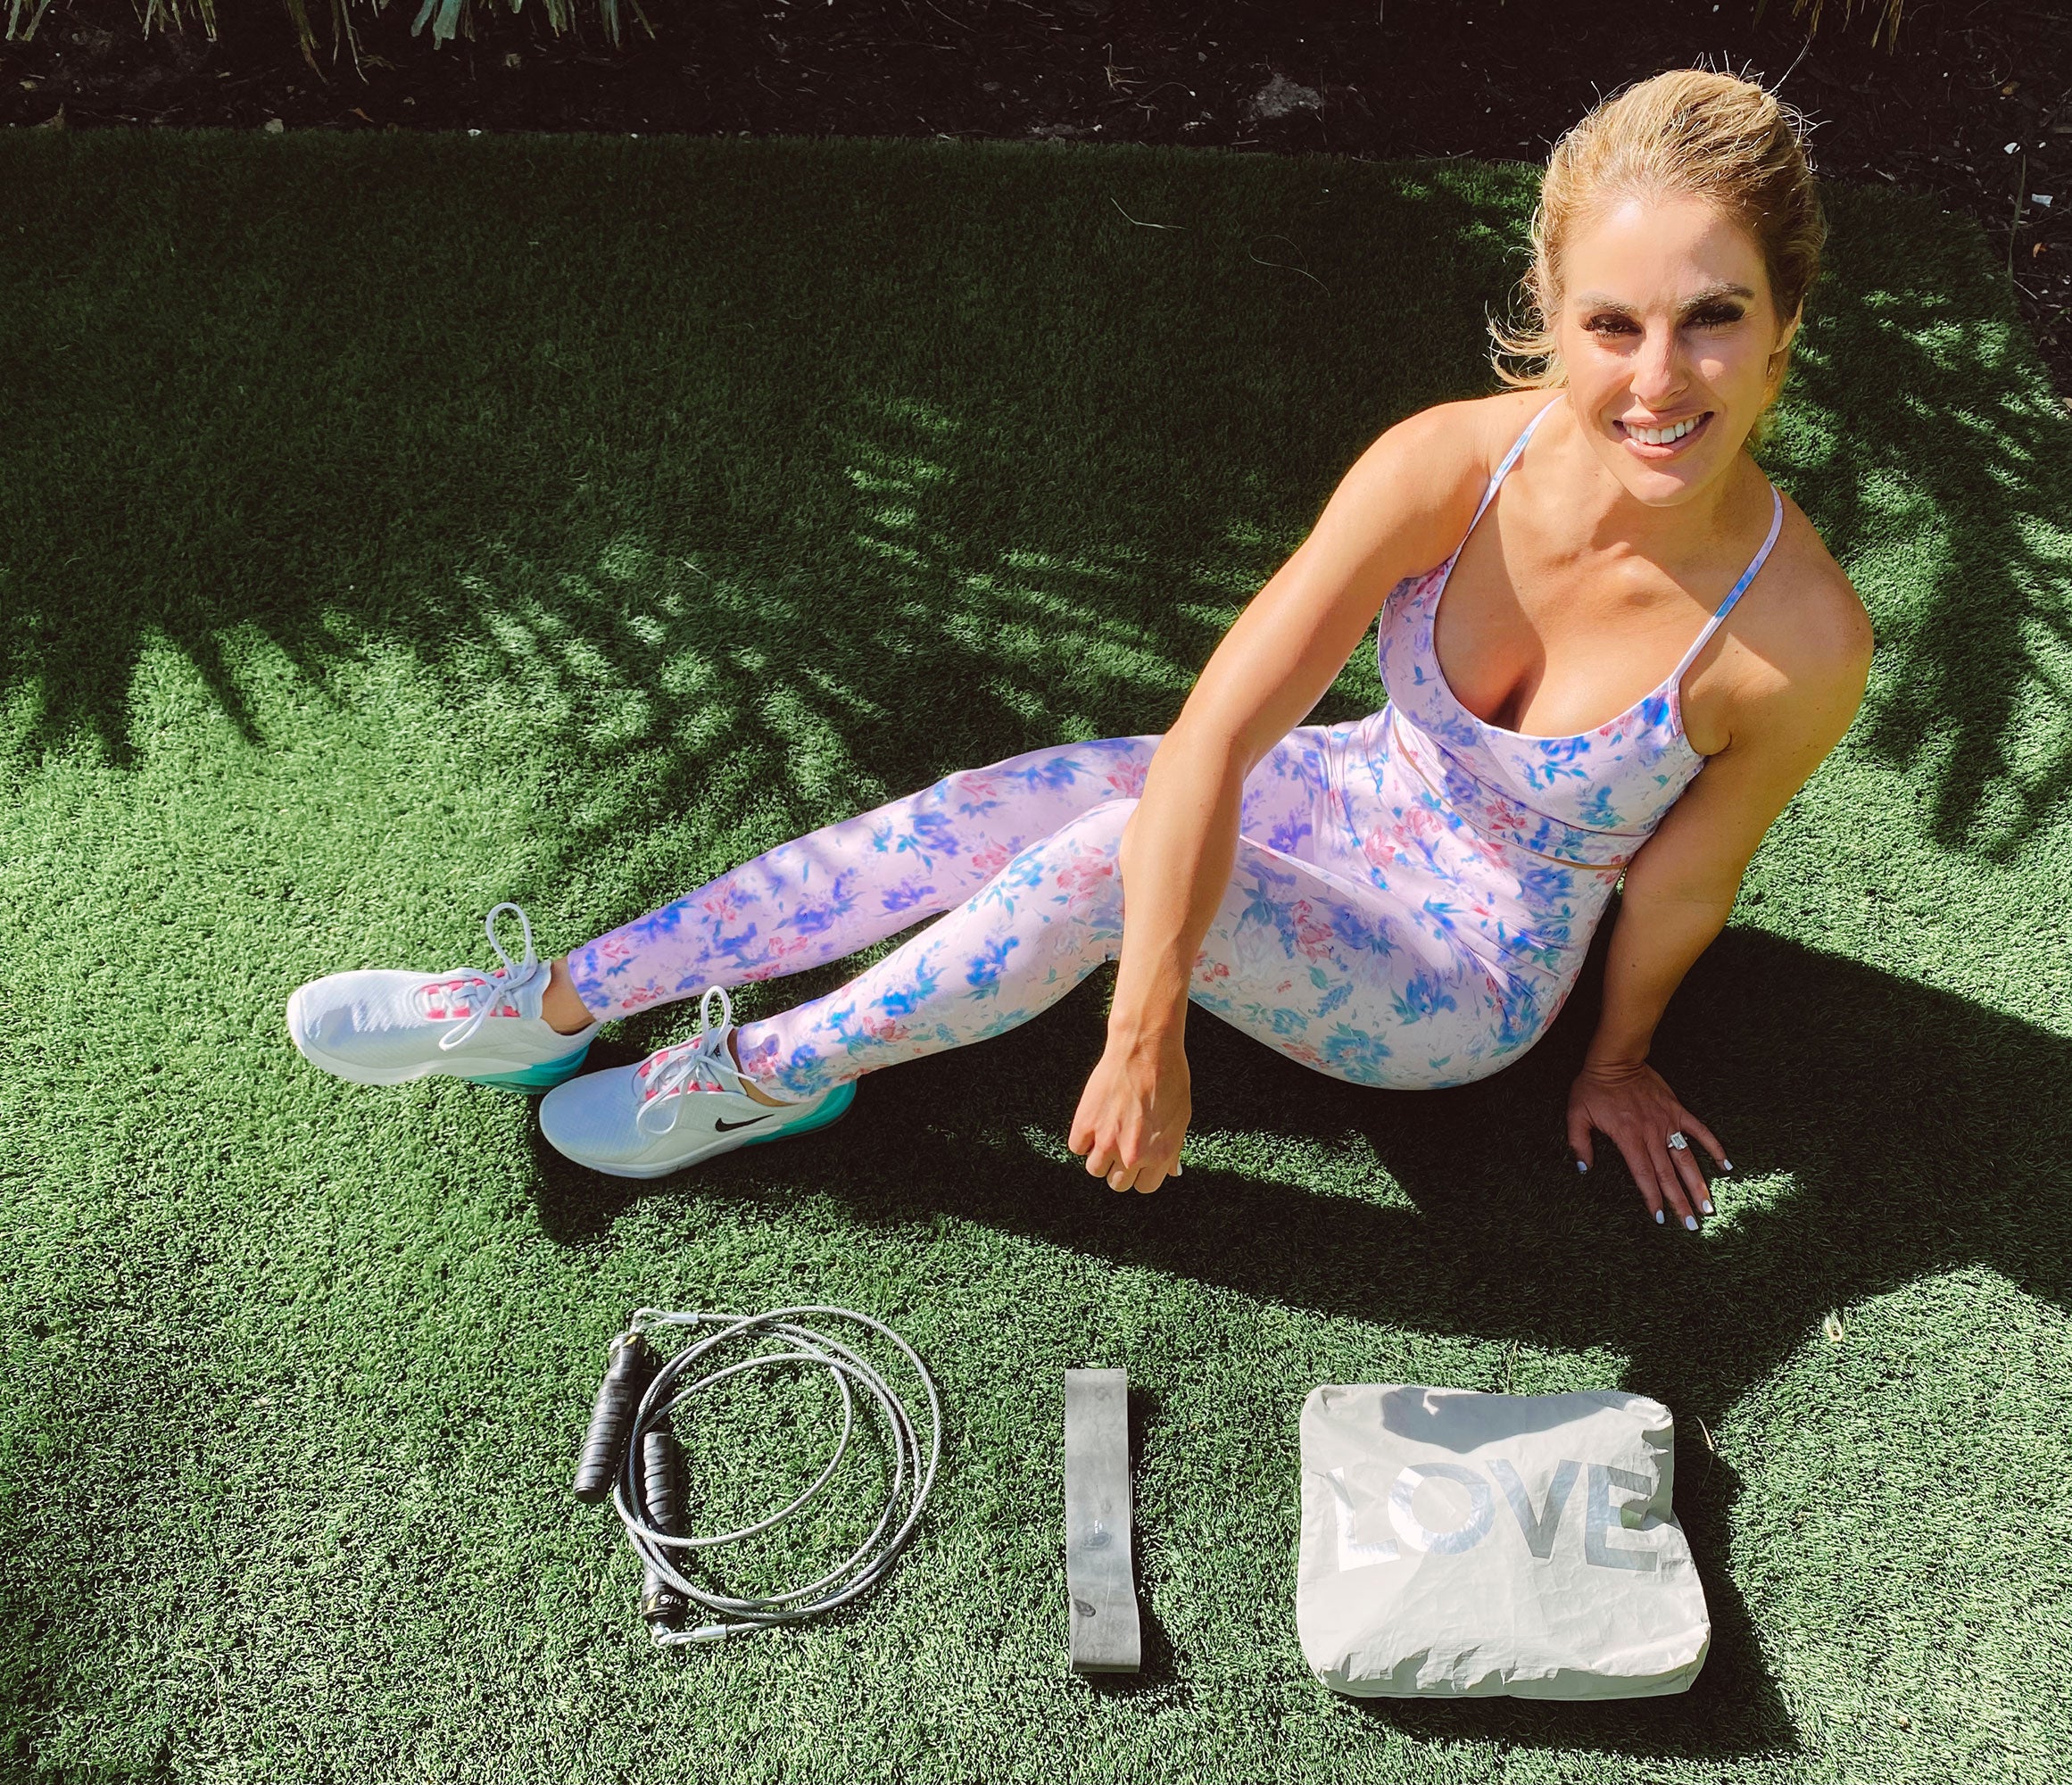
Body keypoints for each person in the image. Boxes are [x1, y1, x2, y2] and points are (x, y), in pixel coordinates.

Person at [286, 68, 1872, 1230]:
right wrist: (1144, 1019)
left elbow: (1682, 884)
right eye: (1611, 323)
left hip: (1468, 972)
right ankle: (555, 999)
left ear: (1784, 321)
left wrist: (1614, 1061)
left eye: (1711, 317)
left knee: (1106, 863)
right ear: (1551, 307)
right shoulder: (1449, 465)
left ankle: (769, 1073)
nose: (1655, 381)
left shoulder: (1795, 639)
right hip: (1344, 792)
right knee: (1000, 805)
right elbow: (1218, 736)